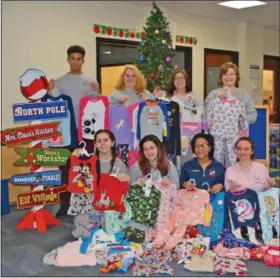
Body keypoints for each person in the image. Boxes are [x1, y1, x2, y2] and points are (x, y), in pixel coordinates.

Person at [57, 130, 129, 217]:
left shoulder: (120, 165)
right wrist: (72, 158)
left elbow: (124, 193)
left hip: (109, 209)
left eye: (105, 140)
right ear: (95, 144)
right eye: (99, 141)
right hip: (86, 209)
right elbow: (68, 177)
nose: (102, 143)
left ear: (113, 143)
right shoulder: (85, 160)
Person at [48, 45, 100, 126]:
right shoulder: (59, 82)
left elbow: (97, 103)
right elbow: (53, 104)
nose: (75, 62)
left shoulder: (92, 82)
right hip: (67, 126)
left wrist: (98, 91)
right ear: (68, 60)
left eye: (78, 59)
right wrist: (48, 90)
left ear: (83, 61)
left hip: (87, 126)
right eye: (73, 59)